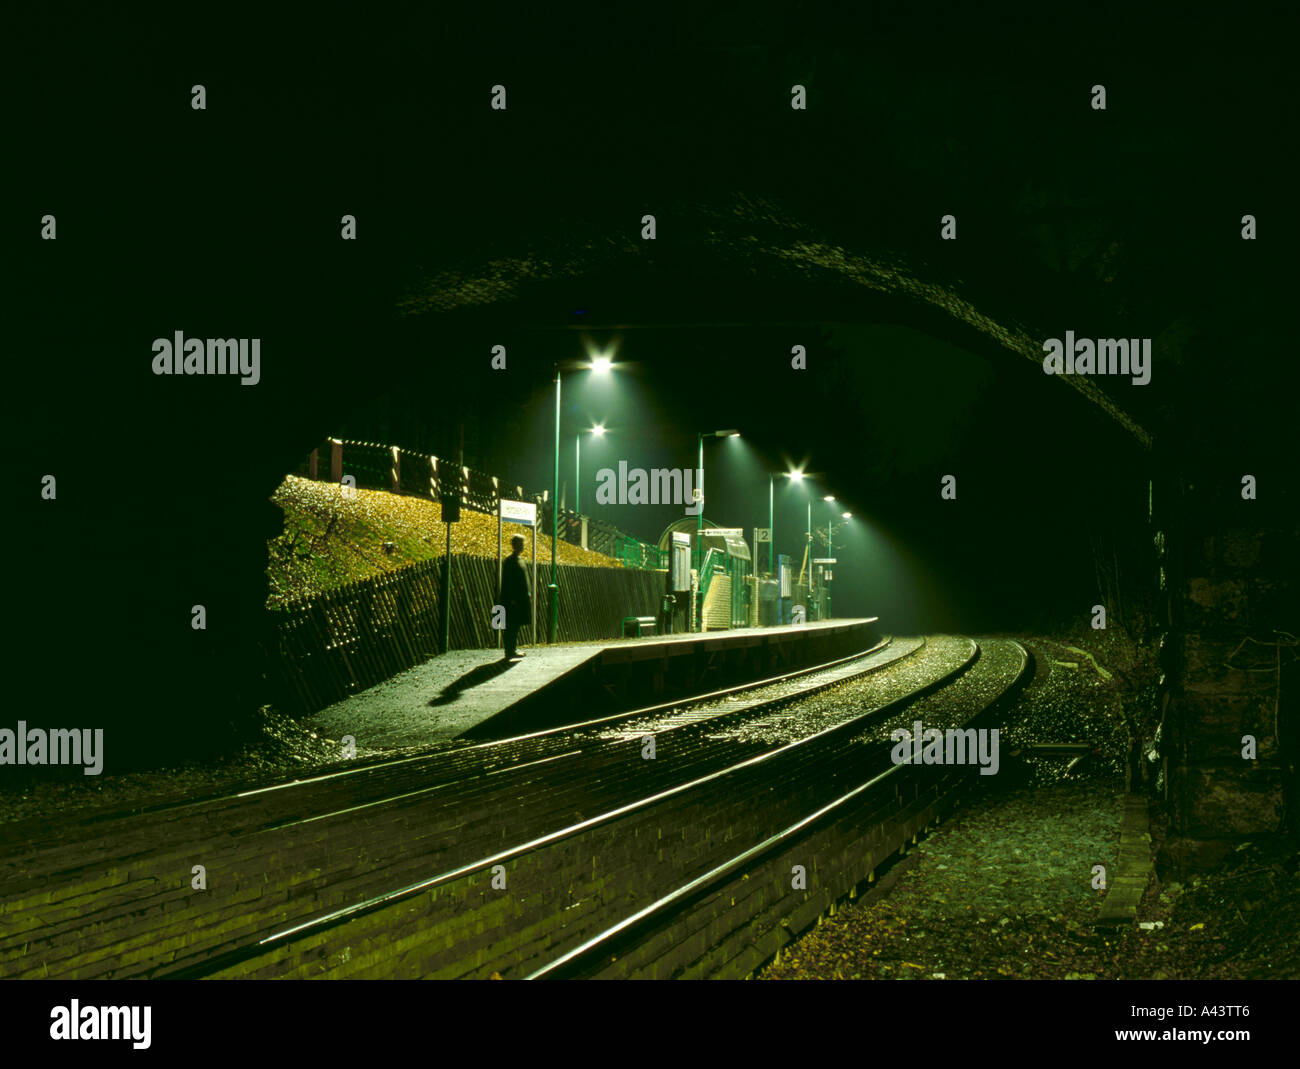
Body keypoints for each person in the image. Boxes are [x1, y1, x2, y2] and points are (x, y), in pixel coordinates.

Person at [499, 534, 531, 660]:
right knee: (511, 624)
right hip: (512, 600)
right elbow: (507, 581)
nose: (523, 546)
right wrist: (511, 598)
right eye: (521, 544)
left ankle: (512, 649)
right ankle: (510, 650)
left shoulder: (519, 560)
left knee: (515, 624)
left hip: (520, 599)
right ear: (515, 545)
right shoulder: (510, 561)